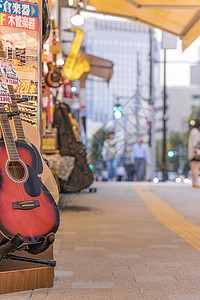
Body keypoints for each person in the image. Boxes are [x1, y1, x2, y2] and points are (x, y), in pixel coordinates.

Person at [188, 120, 200, 188]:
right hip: (196, 152)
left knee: (194, 167)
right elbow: (196, 143)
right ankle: (195, 182)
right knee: (196, 168)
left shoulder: (193, 131)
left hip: (193, 151)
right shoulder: (195, 131)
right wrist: (196, 152)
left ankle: (194, 182)